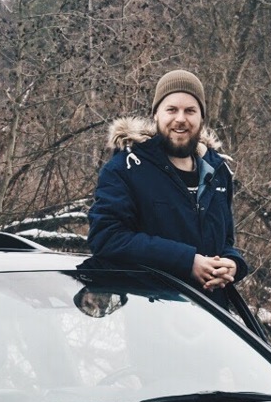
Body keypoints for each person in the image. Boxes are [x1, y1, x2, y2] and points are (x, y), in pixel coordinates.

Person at [88, 69, 254, 326]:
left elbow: (225, 241)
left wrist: (233, 264)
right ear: (156, 114)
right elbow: (107, 238)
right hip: (154, 322)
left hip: (215, 325)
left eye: (190, 111)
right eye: (171, 110)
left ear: (201, 118)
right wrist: (187, 262)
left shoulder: (218, 171)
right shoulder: (125, 169)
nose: (180, 119)